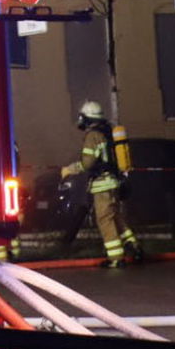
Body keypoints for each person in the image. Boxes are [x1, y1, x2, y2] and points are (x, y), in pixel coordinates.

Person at [62, 100, 140, 268]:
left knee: (105, 219)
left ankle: (116, 257)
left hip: (102, 185)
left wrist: (69, 169)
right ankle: (132, 245)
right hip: (113, 181)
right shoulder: (108, 131)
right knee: (114, 216)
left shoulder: (93, 136)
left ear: (87, 118)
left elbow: (87, 163)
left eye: (82, 117)